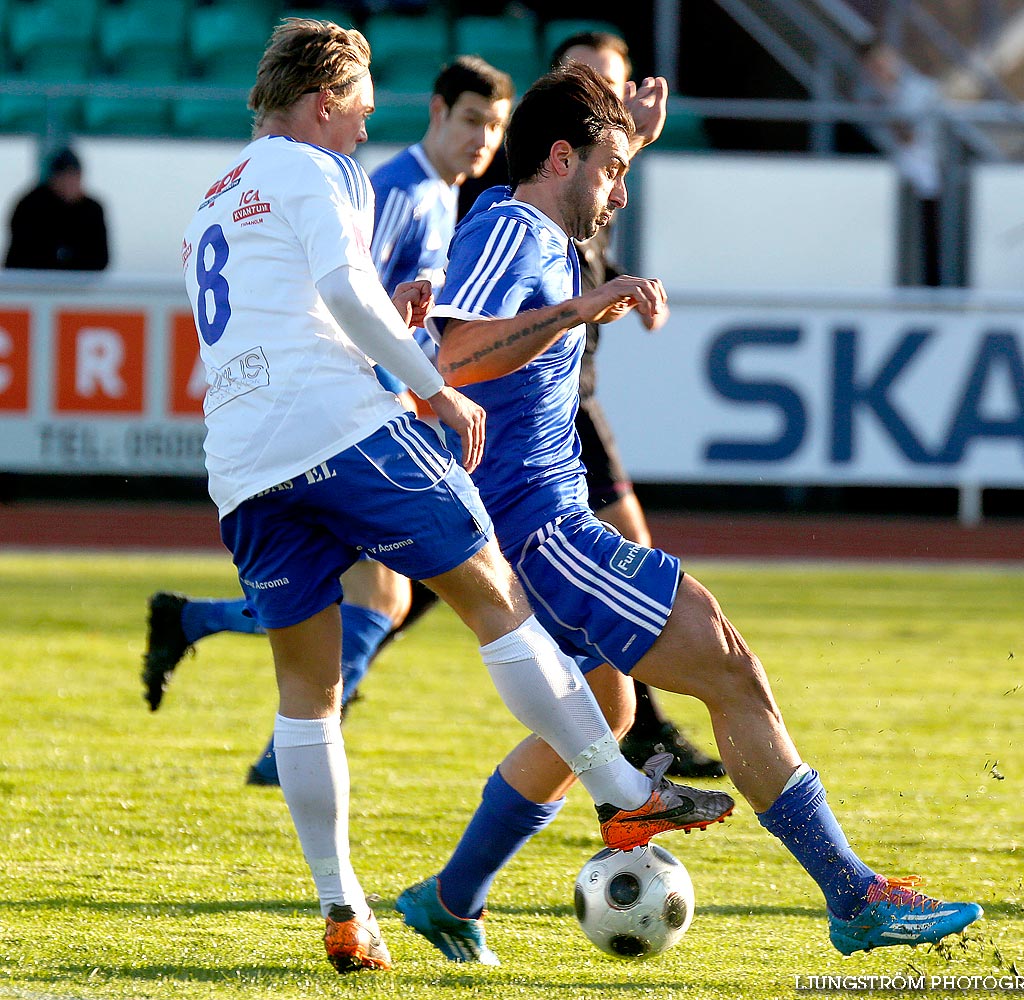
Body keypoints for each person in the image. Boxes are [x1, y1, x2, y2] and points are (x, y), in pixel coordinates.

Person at [393, 63, 983, 965]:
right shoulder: (514, 227)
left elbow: (556, 223)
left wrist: (621, 135)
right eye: (613, 173)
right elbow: (457, 357)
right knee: (729, 668)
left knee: (600, 707)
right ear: (559, 157)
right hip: (543, 532)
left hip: (521, 527)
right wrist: (582, 306)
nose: (620, 195)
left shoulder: (537, 221)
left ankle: (448, 898)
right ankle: (854, 897)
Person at [180, 18, 732, 974]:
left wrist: (376, 338)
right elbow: (346, 293)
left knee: (306, 698)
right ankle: (615, 786)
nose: (360, 130)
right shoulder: (311, 170)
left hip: (240, 461)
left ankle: (343, 908)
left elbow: (283, 318)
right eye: (354, 111)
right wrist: (428, 383)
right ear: (320, 105)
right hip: (337, 430)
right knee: (494, 594)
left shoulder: (208, 204)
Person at [142, 55, 514, 787]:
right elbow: (338, 293)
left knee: (371, 595)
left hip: (325, 416)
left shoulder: (434, 194)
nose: (483, 140)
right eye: (472, 120)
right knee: (398, 592)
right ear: (437, 113)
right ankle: (286, 740)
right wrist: (417, 378)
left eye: (495, 128)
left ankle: (222, 655)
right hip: (348, 417)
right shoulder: (391, 187)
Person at [550, 30, 723, 779]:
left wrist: (620, 285)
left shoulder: (590, 166)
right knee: (632, 561)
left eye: (614, 84)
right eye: (590, 80)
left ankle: (637, 725)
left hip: (575, 393)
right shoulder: (546, 161)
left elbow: (584, 244)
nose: (607, 96)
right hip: (553, 401)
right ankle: (639, 729)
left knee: (449, 581)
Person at [858, 41, 945, 287]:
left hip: (926, 174)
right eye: (874, 65)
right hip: (887, 179)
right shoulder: (865, 96)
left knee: (929, 235)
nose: (881, 68)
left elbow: (913, 135)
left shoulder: (920, 89)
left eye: (884, 61)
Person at [4, 146, 108, 271]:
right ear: (53, 179)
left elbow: (99, 257)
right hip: (32, 283)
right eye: (63, 177)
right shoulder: (31, 206)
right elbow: (23, 253)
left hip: (79, 286)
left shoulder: (92, 210)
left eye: (73, 176)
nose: (68, 183)